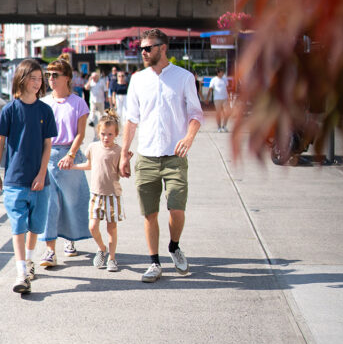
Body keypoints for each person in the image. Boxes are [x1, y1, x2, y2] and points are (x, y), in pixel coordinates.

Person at [119, 28, 203, 284]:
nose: (143, 52)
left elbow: (196, 113)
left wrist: (188, 138)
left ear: (162, 48)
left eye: (148, 48)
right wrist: (124, 155)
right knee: (149, 213)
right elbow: (131, 120)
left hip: (174, 156)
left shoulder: (184, 77)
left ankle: (174, 246)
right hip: (146, 156)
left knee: (177, 209)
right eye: (141, 48)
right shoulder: (137, 79)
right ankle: (154, 263)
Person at [0, 58, 57, 294]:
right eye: (33, 78)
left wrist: (41, 173)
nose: (38, 83)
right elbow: (0, 142)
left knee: (35, 226)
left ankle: (29, 261)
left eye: (40, 79)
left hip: (40, 180)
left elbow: (47, 145)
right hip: (15, 179)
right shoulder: (9, 109)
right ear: (22, 78)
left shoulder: (45, 111)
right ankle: (20, 271)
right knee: (18, 225)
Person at [38, 55, 91, 267]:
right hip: (48, 156)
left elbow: (80, 133)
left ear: (67, 78)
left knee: (72, 201)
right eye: (48, 75)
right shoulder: (43, 103)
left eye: (55, 75)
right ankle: (50, 250)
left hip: (70, 155)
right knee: (49, 203)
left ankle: (71, 239)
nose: (50, 79)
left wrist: (71, 155)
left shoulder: (78, 103)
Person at [71, 109, 129, 272]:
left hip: (113, 195)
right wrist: (74, 166)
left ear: (116, 134)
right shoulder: (93, 147)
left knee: (111, 228)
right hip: (96, 194)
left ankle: (112, 258)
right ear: (98, 133)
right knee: (92, 227)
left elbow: (122, 173)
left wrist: (126, 162)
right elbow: (90, 165)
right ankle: (102, 248)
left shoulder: (118, 150)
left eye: (110, 134)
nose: (106, 138)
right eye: (103, 134)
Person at [207, 66, 230, 132]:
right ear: (218, 73)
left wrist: (229, 97)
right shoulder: (213, 79)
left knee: (227, 112)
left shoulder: (225, 79)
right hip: (217, 99)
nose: (223, 73)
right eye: (221, 72)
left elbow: (227, 88)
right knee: (218, 113)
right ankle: (219, 127)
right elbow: (210, 89)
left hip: (224, 98)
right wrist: (207, 98)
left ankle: (224, 125)